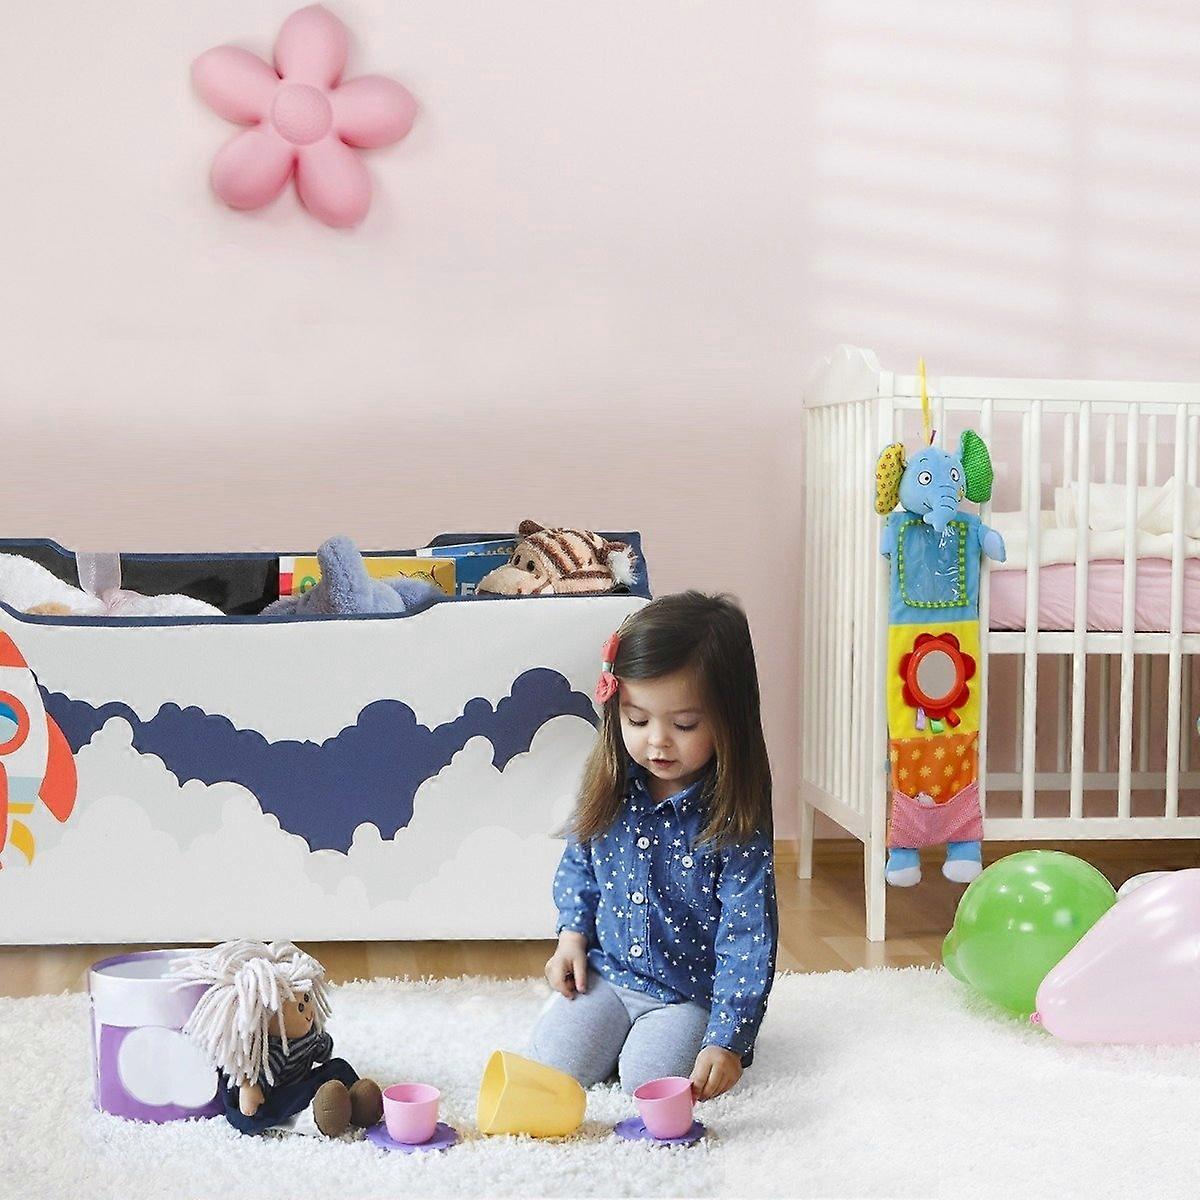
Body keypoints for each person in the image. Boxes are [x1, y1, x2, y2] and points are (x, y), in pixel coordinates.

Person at [530, 591, 777, 1100]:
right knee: (554, 1065)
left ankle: (663, 1040)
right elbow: (580, 865)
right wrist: (570, 940)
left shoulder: (733, 820)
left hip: (685, 997)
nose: (657, 742)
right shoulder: (611, 785)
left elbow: (747, 938)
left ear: (728, 719)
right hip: (609, 975)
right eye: (637, 721)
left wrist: (726, 1040)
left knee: (650, 1082)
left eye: (683, 725)